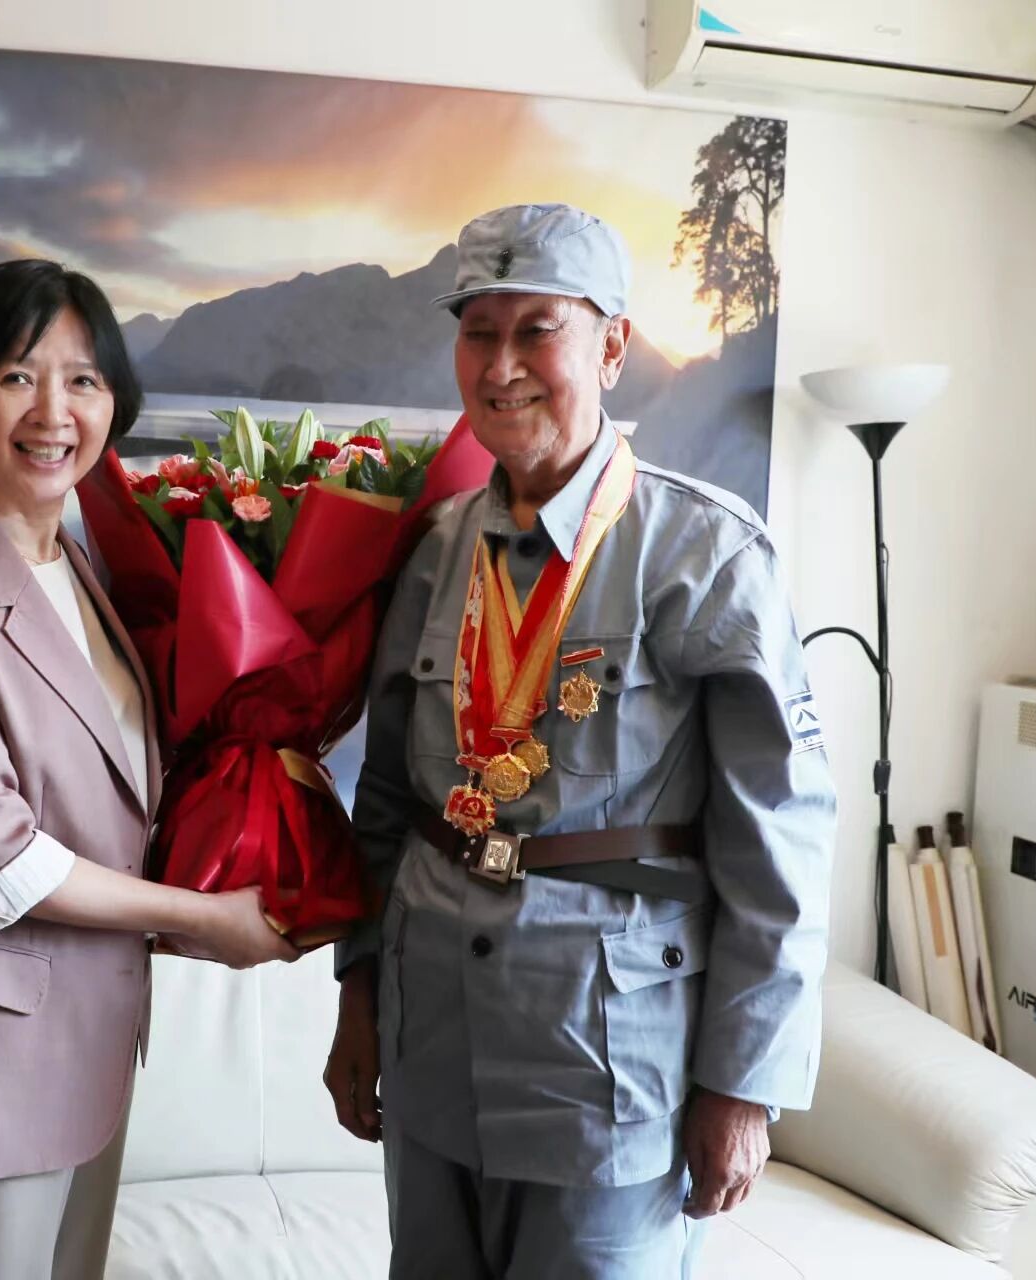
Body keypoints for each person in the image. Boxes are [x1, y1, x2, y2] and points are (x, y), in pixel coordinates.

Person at [322, 205, 836, 1278]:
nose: (501, 366)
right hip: (431, 1044)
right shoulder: (433, 552)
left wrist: (743, 1086)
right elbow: (387, 801)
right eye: (478, 332)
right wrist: (357, 991)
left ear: (610, 346)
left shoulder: (702, 553)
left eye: (536, 331)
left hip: (606, 1067)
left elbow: (780, 836)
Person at [0, 258, 297, 1280]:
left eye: (83, 379)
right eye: (17, 375)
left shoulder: (73, 562)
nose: (54, 411)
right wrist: (203, 916)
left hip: (84, 1047)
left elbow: (112, 790)